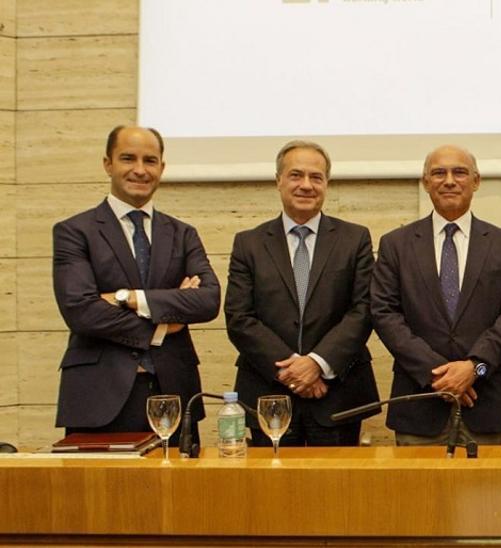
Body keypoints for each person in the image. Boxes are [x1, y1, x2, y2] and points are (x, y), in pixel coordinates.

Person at [52, 125, 220, 435]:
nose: (140, 170)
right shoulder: (74, 232)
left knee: (179, 485)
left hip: (173, 391)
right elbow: (81, 311)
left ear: (162, 167)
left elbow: (207, 300)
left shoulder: (183, 234)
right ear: (108, 164)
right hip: (98, 394)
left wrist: (126, 298)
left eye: (150, 160)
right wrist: (163, 325)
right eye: (128, 158)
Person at [371, 145, 501, 446]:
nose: (449, 180)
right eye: (438, 173)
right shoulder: (396, 245)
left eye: (459, 172)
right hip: (419, 403)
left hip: (487, 403)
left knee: (487, 494)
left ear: (476, 181)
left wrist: (474, 368)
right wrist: (437, 375)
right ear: (425, 182)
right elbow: (384, 314)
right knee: (418, 494)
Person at [224, 140, 379, 447]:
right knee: (271, 493)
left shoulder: (355, 239)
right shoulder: (249, 244)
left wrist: (317, 364)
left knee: (338, 492)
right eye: (296, 175)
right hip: (268, 394)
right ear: (278, 180)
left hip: (338, 394)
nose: (306, 185)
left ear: (327, 183)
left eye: (316, 177)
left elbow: (364, 309)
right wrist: (293, 369)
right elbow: (239, 318)